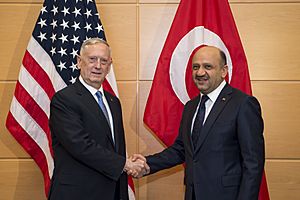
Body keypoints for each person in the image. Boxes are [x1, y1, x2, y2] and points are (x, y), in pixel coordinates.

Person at [133, 46, 265, 200]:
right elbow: (181, 149)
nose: (200, 72)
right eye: (196, 67)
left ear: (224, 71)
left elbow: (253, 163)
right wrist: (147, 164)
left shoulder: (243, 104)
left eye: (208, 66)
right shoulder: (191, 106)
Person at [48, 38, 147, 200]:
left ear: (109, 65)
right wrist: (126, 164)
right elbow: (80, 145)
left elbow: (115, 148)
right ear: (79, 62)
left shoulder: (113, 102)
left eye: (104, 61)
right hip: (78, 194)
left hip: (112, 192)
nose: (98, 66)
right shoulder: (64, 99)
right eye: (92, 59)